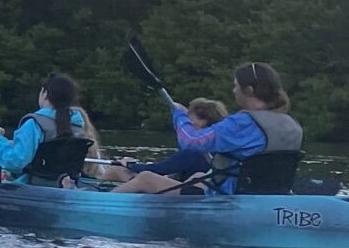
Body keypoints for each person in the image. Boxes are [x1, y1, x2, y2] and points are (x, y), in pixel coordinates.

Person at [106, 62, 304, 195]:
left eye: (236, 86)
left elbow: (190, 142)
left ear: (249, 90)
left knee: (146, 178)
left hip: (229, 195)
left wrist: (180, 115)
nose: (233, 91)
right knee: (199, 176)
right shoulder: (290, 124)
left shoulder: (242, 123)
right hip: (265, 193)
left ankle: (100, 204)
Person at [0, 72, 100, 182]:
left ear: (45, 94)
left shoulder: (34, 123)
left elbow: (15, 162)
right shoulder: (78, 124)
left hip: (34, 185)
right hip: (66, 184)